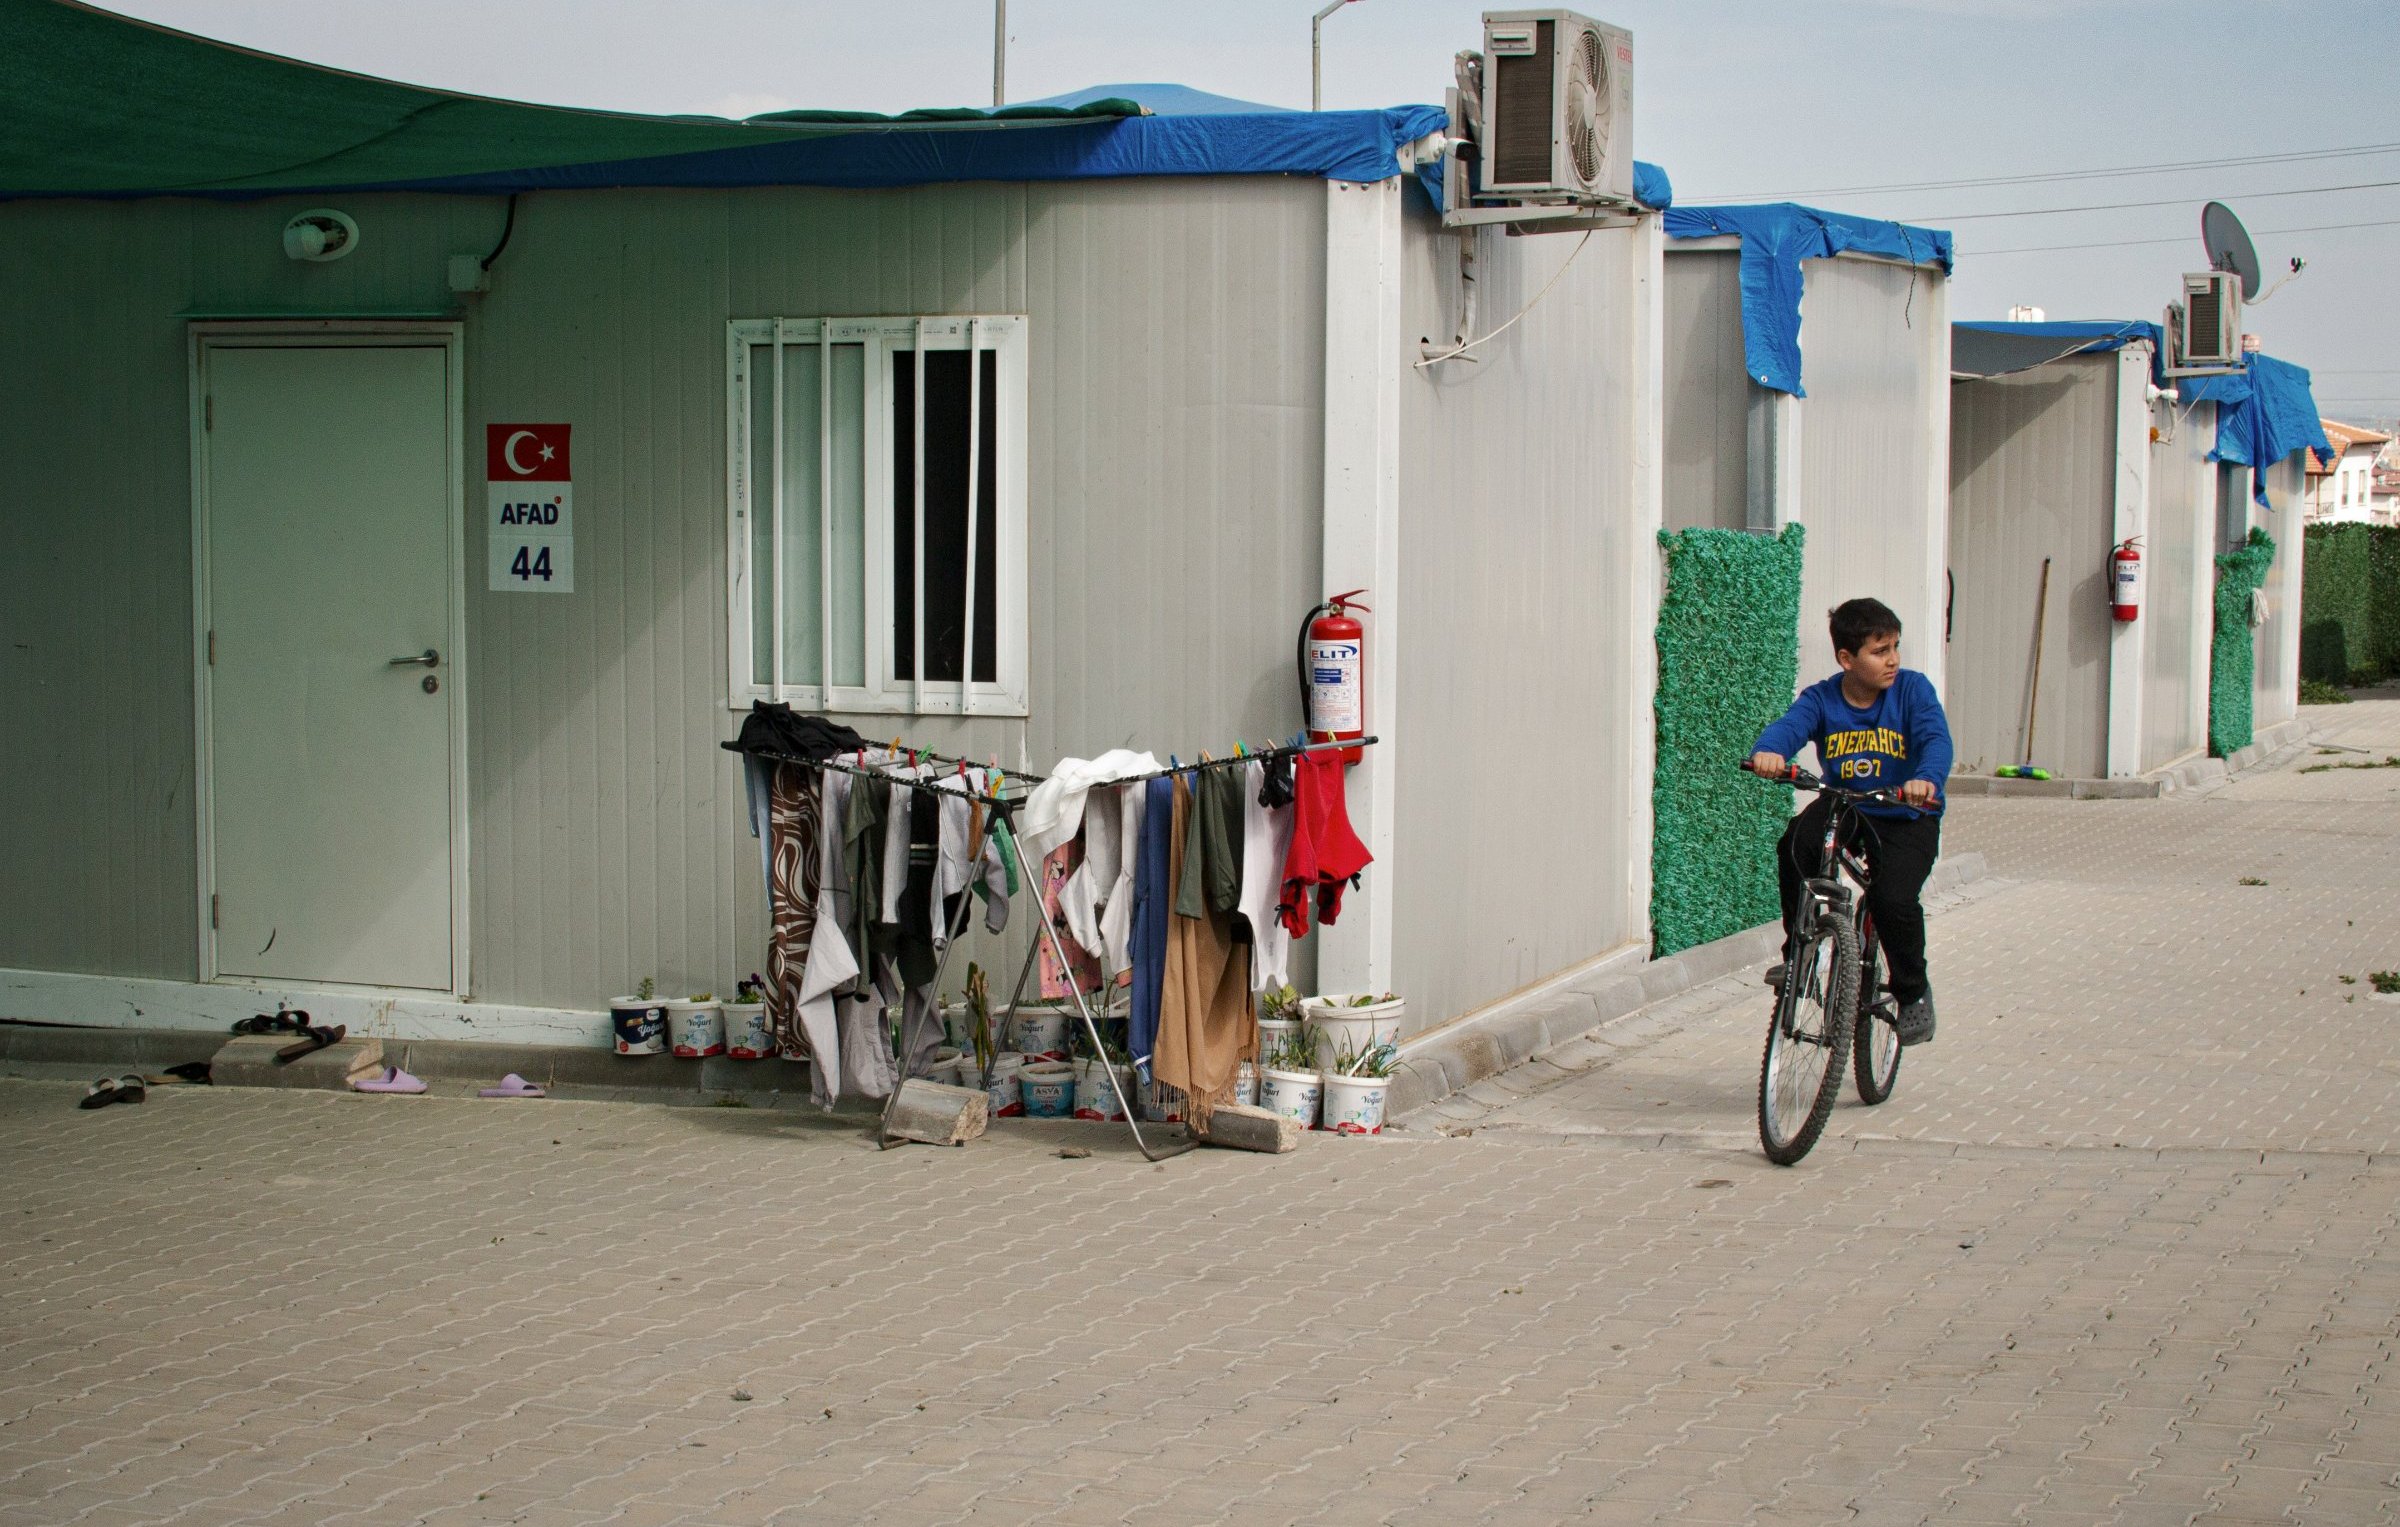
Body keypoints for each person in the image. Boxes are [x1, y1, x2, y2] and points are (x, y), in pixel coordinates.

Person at [1748, 597, 1953, 1046]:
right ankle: (1798, 954)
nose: (1893, 659)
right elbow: (1789, 726)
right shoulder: (1821, 698)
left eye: (1896, 647)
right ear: (1847, 658)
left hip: (1906, 813)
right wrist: (1770, 752)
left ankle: (1913, 993)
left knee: (1892, 899)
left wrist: (1925, 779)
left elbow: (1936, 741)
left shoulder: (1913, 691)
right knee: (1796, 845)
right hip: (1850, 805)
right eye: (1880, 651)